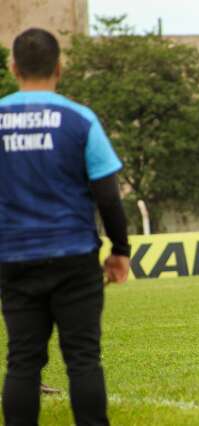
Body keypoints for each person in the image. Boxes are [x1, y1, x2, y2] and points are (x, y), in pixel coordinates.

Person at [0, 28, 130, 424]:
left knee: (22, 360)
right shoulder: (80, 119)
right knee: (83, 358)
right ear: (60, 68)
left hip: (14, 258)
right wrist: (120, 251)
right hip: (74, 256)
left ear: (13, 67)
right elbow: (108, 195)